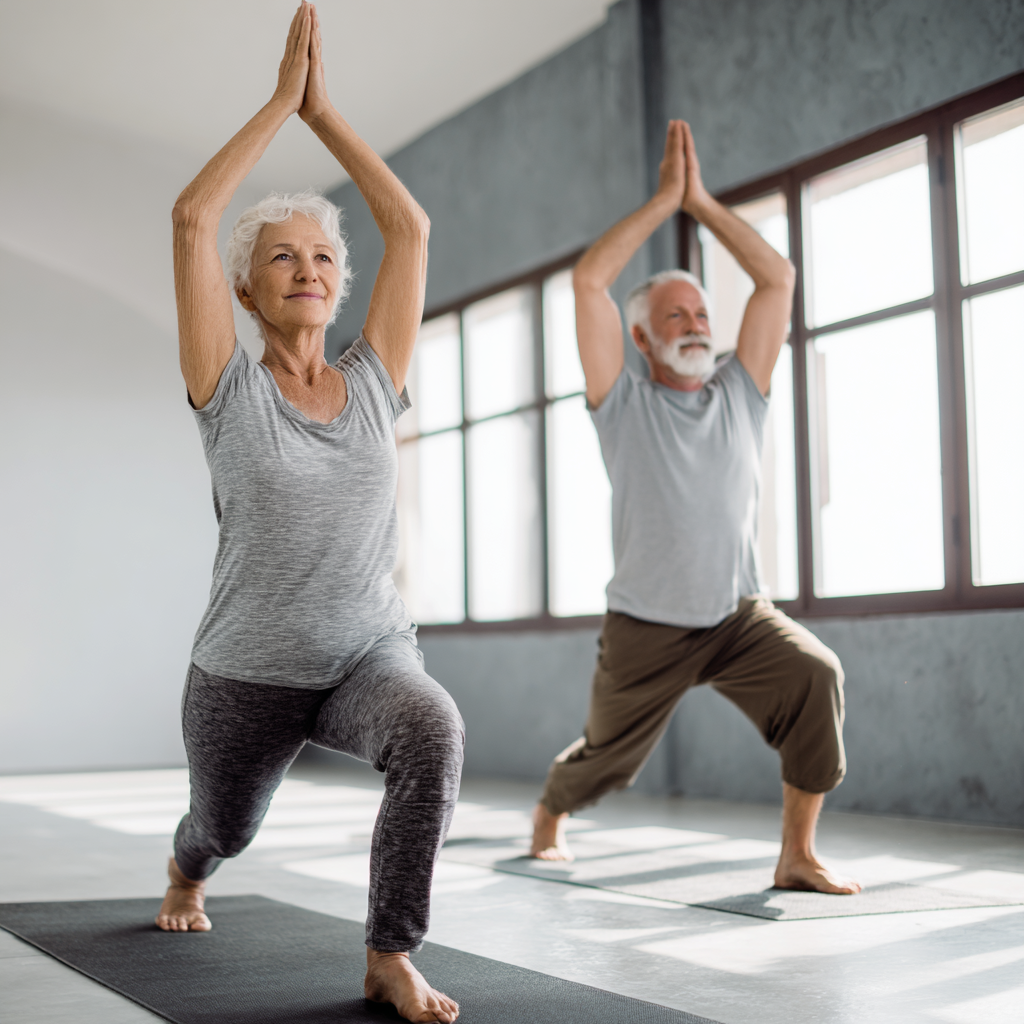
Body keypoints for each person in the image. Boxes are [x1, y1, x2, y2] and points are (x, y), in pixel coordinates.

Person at [155, 5, 463, 1021]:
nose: (310, 271)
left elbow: (408, 227)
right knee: (222, 827)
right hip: (244, 670)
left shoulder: (376, 382)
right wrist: (277, 105)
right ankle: (186, 869)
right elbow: (193, 219)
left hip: (367, 653)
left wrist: (326, 115)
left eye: (323, 258)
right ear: (245, 290)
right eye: (283, 258)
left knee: (432, 731)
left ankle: (387, 952)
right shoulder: (229, 389)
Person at [530, 121, 860, 896]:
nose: (697, 325)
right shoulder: (623, 403)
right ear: (640, 337)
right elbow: (587, 283)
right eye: (675, 316)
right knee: (608, 759)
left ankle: (796, 853)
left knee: (816, 675)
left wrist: (703, 203)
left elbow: (776, 279)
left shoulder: (741, 394)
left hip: (738, 614)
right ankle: (551, 810)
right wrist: (663, 202)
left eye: (702, 313)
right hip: (646, 623)